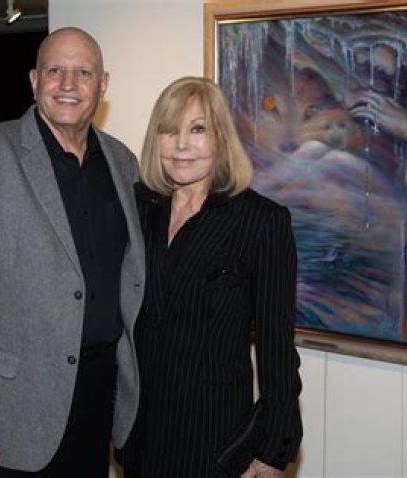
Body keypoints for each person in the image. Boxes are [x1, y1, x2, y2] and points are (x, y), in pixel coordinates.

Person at [0, 27, 144, 477]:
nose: (68, 84)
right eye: (55, 71)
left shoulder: (123, 163)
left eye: (83, 72)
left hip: (97, 398)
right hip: (9, 407)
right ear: (33, 79)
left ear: (103, 84)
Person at [121, 77, 302, 477]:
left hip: (214, 438)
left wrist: (274, 449)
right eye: (169, 130)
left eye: (197, 129)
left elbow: (276, 348)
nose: (181, 144)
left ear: (221, 137)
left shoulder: (260, 221)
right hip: (140, 432)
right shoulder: (137, 207)